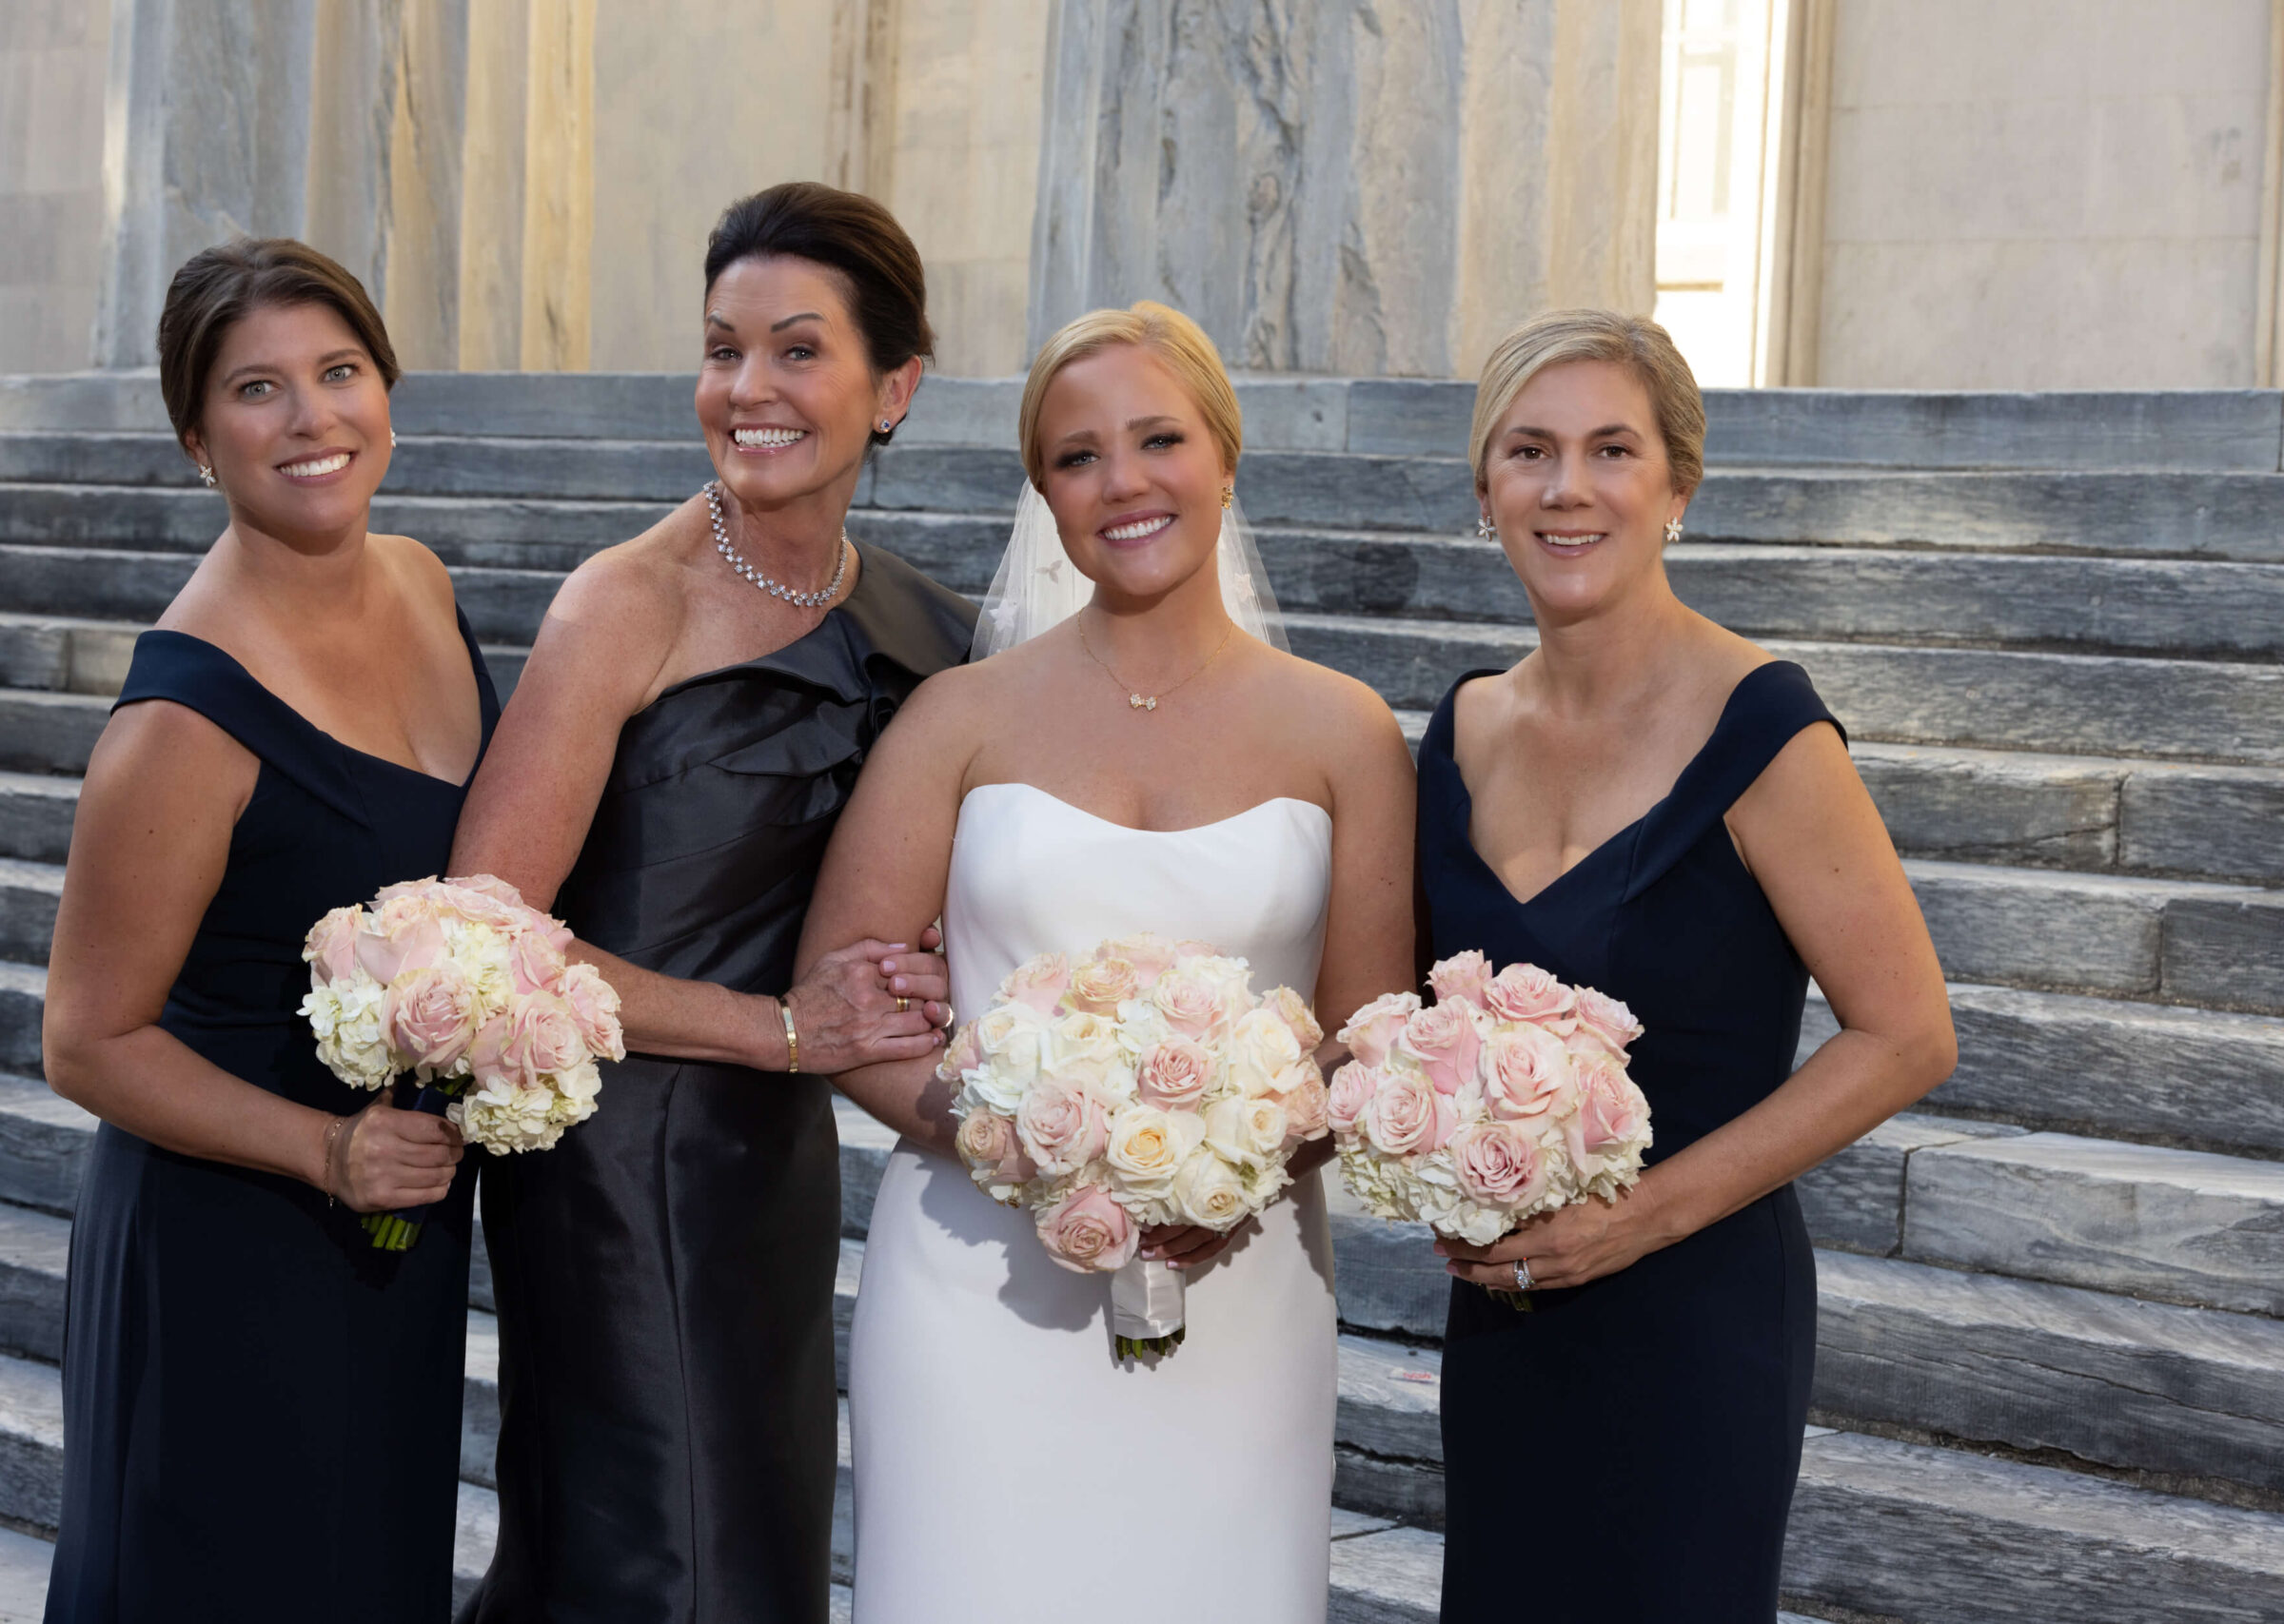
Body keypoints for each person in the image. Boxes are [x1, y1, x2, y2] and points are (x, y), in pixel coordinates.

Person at [808, 301, 1417, 1624]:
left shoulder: (1346, 732)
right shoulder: (956, 720)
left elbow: (1367, 1034)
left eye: (1159, 439)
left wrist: (1228, 1167)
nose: (1124, 482)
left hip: (1242, 1280)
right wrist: (1035, 1153)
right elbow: (843, 1008)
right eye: (1078, 456)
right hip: (975, 1281)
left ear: (1225, 456)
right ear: (1045, 492)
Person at [451, 182, 970, 1624]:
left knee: (753, 1545)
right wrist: (779, 1031)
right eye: (723, 350)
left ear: (894, 388)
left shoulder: (930, 629)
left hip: (775, 1164)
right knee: (659, 1563)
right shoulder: (628, 603)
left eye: (798, 350)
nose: (748, 390)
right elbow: (482, 934)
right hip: (610, 1157)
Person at [1422, 309, 1959, 1619]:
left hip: (1695, 1318)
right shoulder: (1463, 730)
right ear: (1485, 489)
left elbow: (1907, 1034)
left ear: (1679, 489)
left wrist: (1635, 1220)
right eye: (1530, 452)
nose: (1568, 488)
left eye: (1612, 450)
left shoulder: (1765, 726)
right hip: (1507, 1315)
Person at [41, 239, 488, 1622]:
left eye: (339, 372)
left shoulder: (422, 581)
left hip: (398, 1230)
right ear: (196, 437)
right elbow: (86, 1040)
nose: (312, 419)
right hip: (230, 1243)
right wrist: (327, 1150)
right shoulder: (181, 721)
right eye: (257, 389)